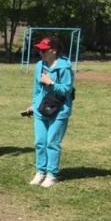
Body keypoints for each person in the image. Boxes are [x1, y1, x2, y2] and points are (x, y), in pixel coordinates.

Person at [24, 37, 74, 188]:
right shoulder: (39, 65)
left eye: (44, 50)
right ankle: (41, 171)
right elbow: (37, 89)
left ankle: (52, 174)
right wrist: (34, 104)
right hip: (41, 108)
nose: (41, 52)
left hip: (59, 110)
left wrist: (51, 83)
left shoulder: (65, 67)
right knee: (40, 142)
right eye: (39, 49)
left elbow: (67, 90)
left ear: (54, 50)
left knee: (52, 142)